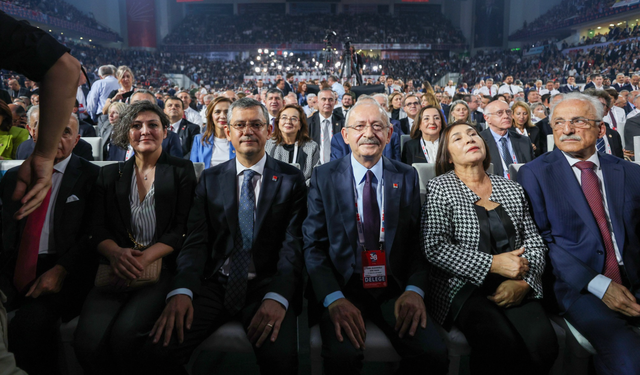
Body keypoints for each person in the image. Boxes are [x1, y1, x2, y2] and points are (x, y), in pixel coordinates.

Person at [141, 98, 307, 375]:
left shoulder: (291, 179)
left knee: (282, 360)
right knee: (157, 351)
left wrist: (278, 296)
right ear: (227, 132)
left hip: (265, 285)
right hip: (214, 285)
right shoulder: (210, 178)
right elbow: (196, 242)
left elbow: (293, 246)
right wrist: (182, 290)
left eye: (256, 124)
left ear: (269, 130)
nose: (248, 131)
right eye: (239, 125)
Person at [303, 98, 449, 375]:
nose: (369, 133)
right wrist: (333, 298)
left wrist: (415, 291)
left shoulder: (406, 176)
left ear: (390, 133)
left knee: (433, 353)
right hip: (343, 287)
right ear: (345, 136)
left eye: (377, 126)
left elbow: (419, 241)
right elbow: (313, 246)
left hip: (394, 288)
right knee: (342, 358)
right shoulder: (324, 177)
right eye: (359, 126)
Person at [423, 121, 558, 375]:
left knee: (544, 346)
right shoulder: (440, 187)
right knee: (499, 345)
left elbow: (535, 243)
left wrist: (525, 282)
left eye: (473, 134)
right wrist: (493, 264)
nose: (470, 139)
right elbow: (435, 247)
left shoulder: (512, 187)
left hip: (516, 279)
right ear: (448, 157)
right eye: (458, 139)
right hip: (463, 287)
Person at [519, 93, 640, 375]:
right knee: (629, 360)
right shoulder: (534, 173)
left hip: (633, 275)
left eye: (578, 121)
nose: (567, 129)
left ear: (601, 128)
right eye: (558, 122)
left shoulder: (631, 173)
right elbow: (543, 241)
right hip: (578, 286)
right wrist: (600, 285)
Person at [74, 101, 197, 375]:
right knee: (86, 343)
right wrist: (116, 254)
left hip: (160, 267)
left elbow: (181, 229)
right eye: (136, 125)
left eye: (153, 125)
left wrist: (143, 259)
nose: (145, 131)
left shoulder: (181, 171)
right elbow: (95, 228)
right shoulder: (108, 174)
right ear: (126, 132)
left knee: (126, 336)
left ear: (165, 131)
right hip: (115, 267)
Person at [0, 112, 100, 375]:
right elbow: (6, 236)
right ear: (33, 132)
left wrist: (61, 270)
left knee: (28, 326)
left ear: (76, 139)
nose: (56, 137)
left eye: (65, 131)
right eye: (47, 129)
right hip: (14, 269)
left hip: (62, 270)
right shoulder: (13, 178)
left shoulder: (92, 177)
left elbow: (93, 235)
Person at [15, 105, 94, 162]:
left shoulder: (82, 148)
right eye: (39, 126)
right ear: (31, 130)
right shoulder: (23, 148)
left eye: (65, 132)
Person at [265, 104, 319, 185]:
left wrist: (298, 188)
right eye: (284, 117)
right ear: (278, 122)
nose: (288, 121)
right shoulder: (268, 144)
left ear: (300, 125)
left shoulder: (312, 147)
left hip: (303, 193)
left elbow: (315, 176)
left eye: (293, 118)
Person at [480, 100, 535, 178]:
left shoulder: (524, 141)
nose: (506, 116)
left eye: (508, 112)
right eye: (500, 113)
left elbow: (532, 169)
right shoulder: (479, 141)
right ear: (487, 118)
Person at [190, 97, 236, 168]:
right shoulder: (199, 140)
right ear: (211, 116)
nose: (223, 116)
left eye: (227, 112)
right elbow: (194, 170)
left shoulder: (239, 140)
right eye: (217, 112)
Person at [308, 89, 345, 164]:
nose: (327, 103)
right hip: (314, 167)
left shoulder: (342, 122)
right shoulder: (308, 123)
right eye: (323, 99)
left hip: (337, 166)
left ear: (335, 102)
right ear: (318, 102)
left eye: (330, 99)